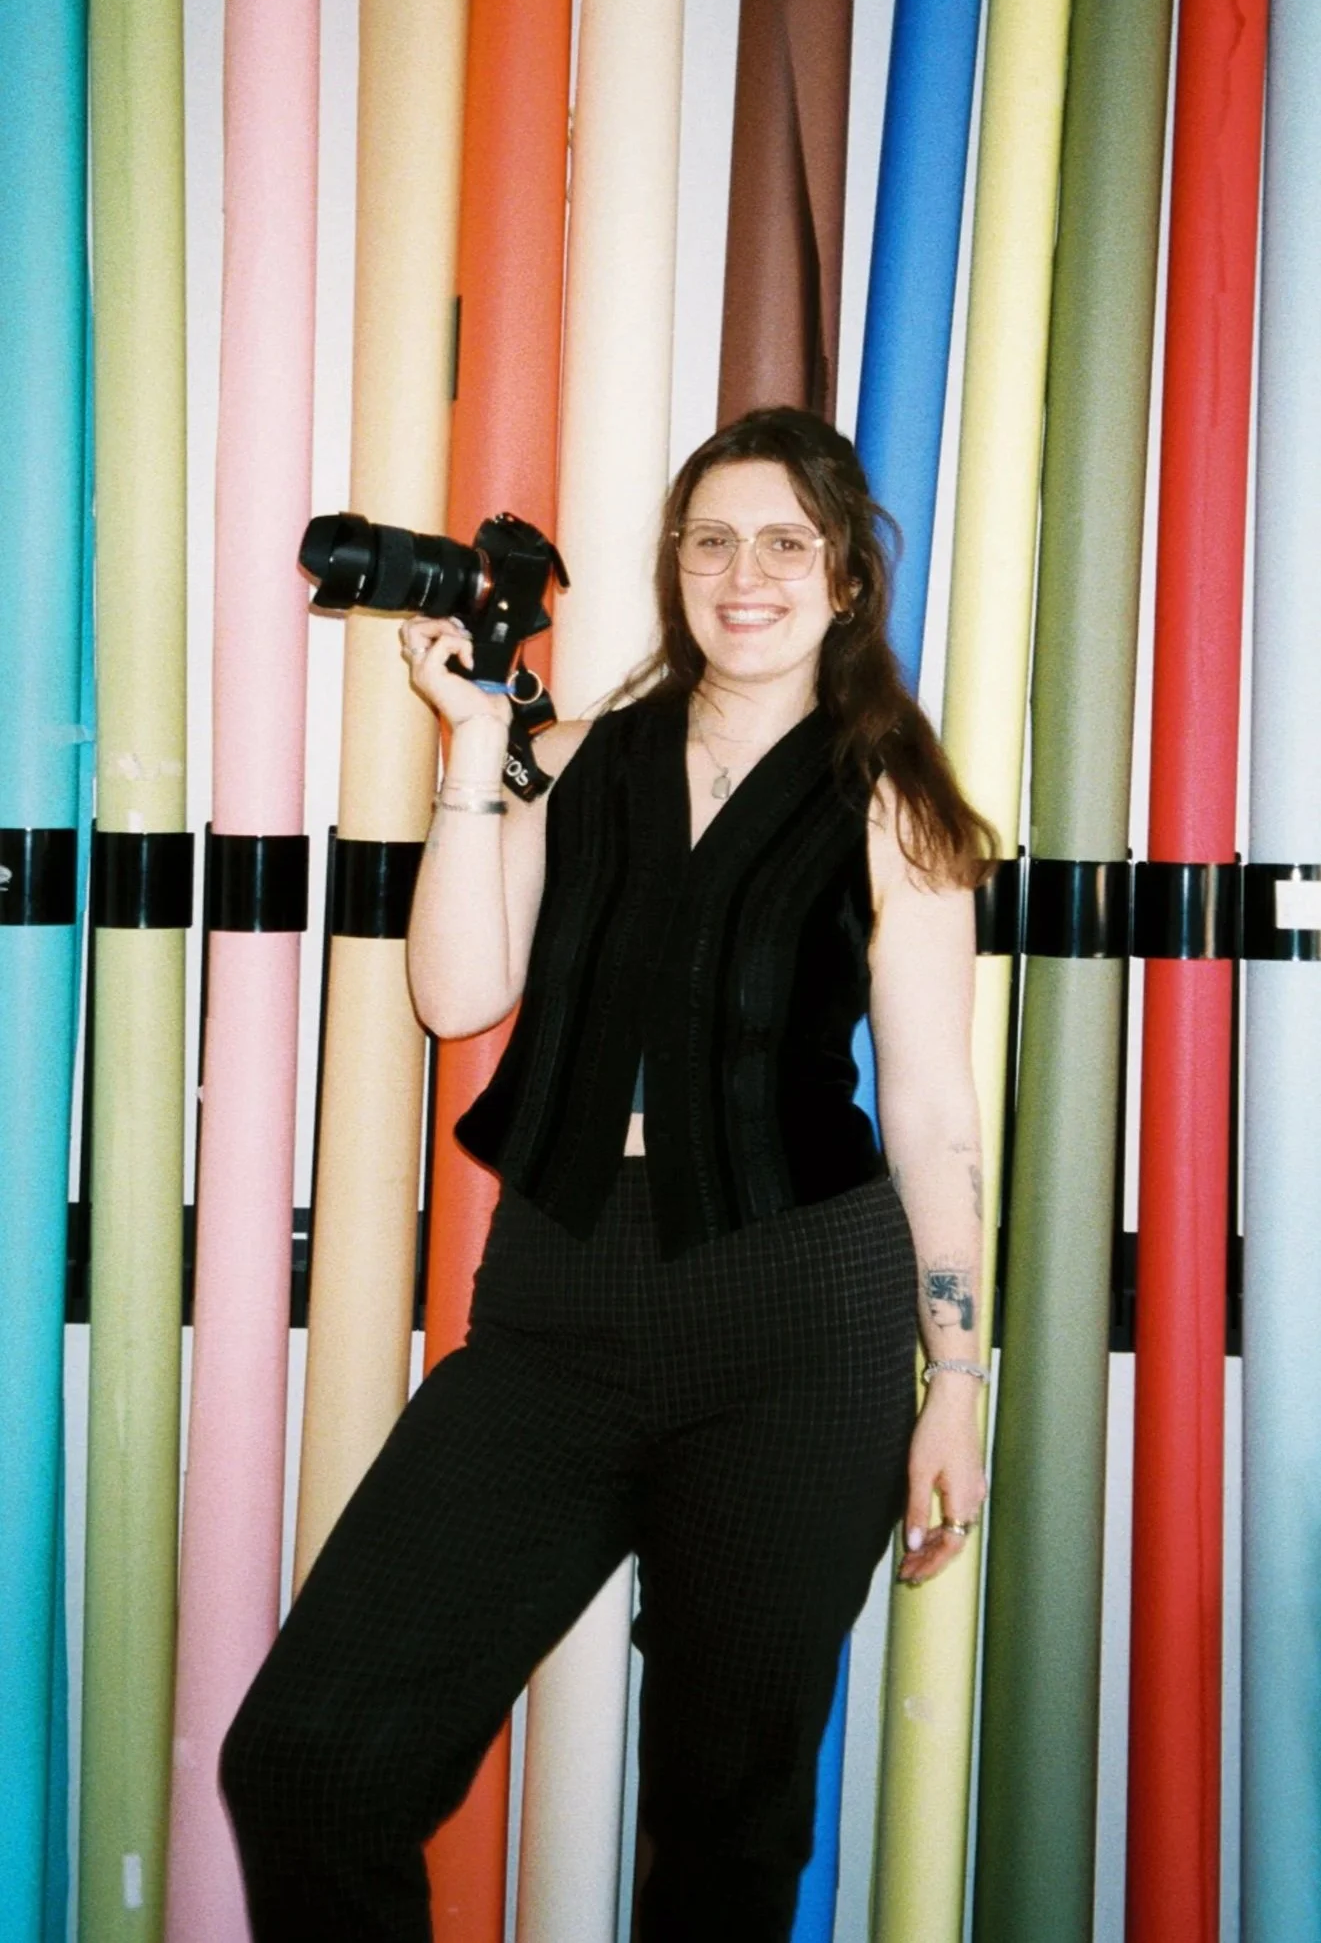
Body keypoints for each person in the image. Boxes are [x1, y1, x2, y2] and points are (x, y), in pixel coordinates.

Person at [221, 407, 995, 1942]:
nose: (744, 571)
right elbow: (457, 993)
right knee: (310, 1761)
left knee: (724, 1838)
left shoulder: (893, 805)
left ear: (845, 579)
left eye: (786, 541)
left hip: (801, 1323)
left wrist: (959, 1376)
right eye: (712, 538)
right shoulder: (569, 761)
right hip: (562, 1305)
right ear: (675, 567)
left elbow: (931, 1110)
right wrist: (469, 753)